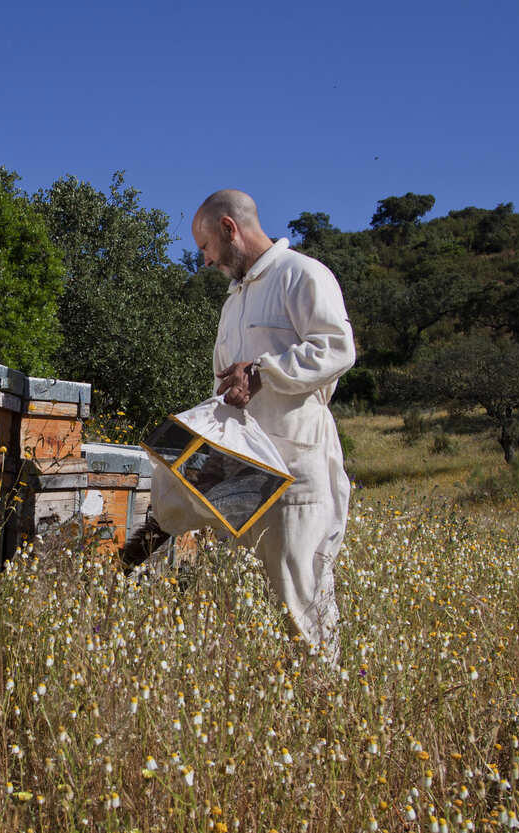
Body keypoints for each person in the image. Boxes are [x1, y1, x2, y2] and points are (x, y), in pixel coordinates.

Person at [120, 189, 355, 663]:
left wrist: (263, 372)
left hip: (295, 464)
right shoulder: (233, 304)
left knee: (300, 593)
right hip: (244, 469)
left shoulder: (302, 276)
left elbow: (337, 348)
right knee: (243, 597)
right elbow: (226, 386)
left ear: (230, 229)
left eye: (206, 246)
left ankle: (328, 699)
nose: (204, 260)